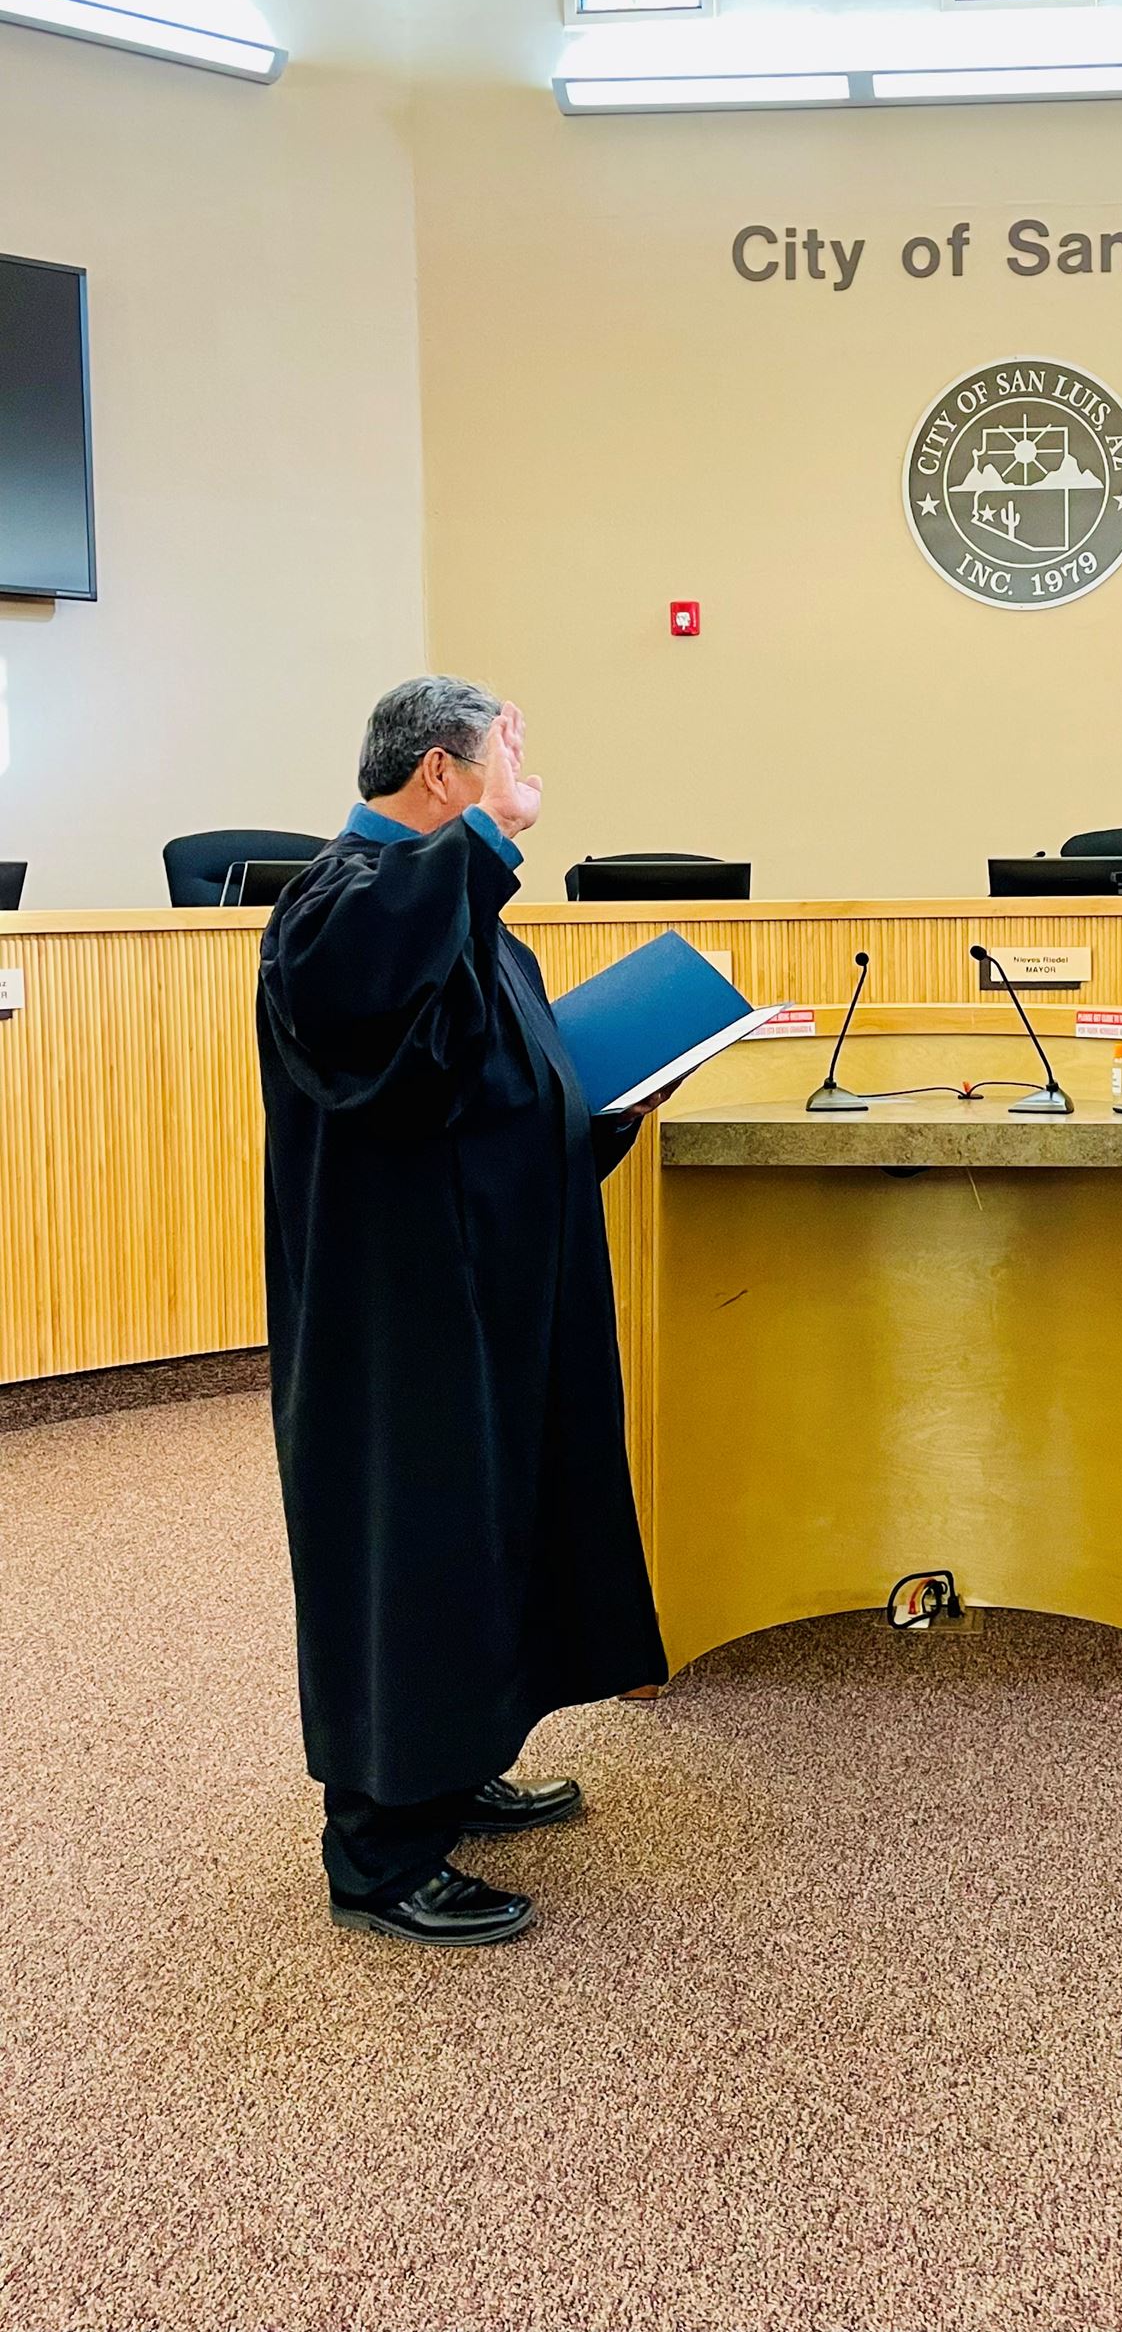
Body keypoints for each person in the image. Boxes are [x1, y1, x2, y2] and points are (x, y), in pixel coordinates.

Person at [258, 677, 666, 1946]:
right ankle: (380, 1854)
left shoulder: (460, 915)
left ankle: (455, 1763)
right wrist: (492, 838)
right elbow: (375, 1018)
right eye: (504, 754)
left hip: (489, 1290)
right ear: (442, 776)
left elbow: (470, 1095)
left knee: (494, 1534)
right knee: (411, 1551)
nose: (524, 772)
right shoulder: (333, 907)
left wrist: (598, 1110)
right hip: (399, 1321)